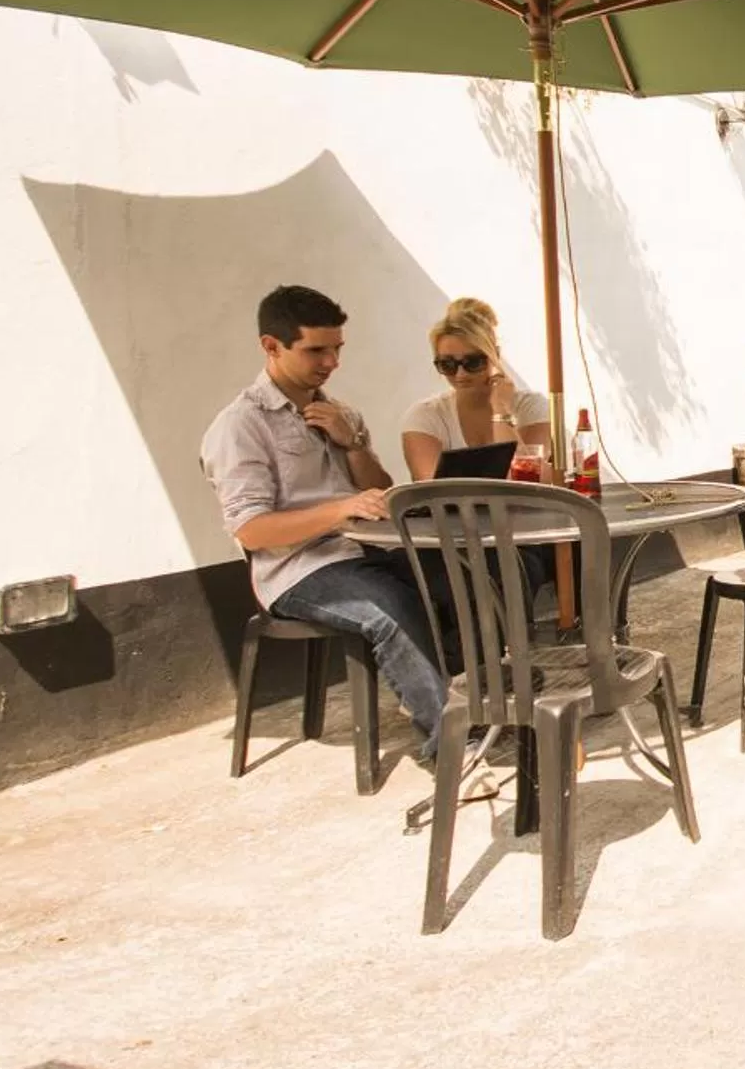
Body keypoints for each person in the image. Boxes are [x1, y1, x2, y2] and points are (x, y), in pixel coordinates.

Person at [201, 284, 448, 762]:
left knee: (463, 578)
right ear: (271, 347)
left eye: (337, 349)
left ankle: (471, 701)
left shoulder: (341, 412)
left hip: (364, 552)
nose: (332, 362)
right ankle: (453, 745)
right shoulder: (240, 426)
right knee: (389, 607)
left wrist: (352, 442)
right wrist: (339, 510)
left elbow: (381, 484)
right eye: (316, 350)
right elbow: (251, 530)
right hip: (298, 569)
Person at [400, 297, 556, 481]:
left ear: (494, 356)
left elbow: (524, 482)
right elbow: (434, 492)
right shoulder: (425, 416)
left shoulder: (532, 407)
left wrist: (500, 410)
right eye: (447, 364)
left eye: (473, 362)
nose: (460, 374)